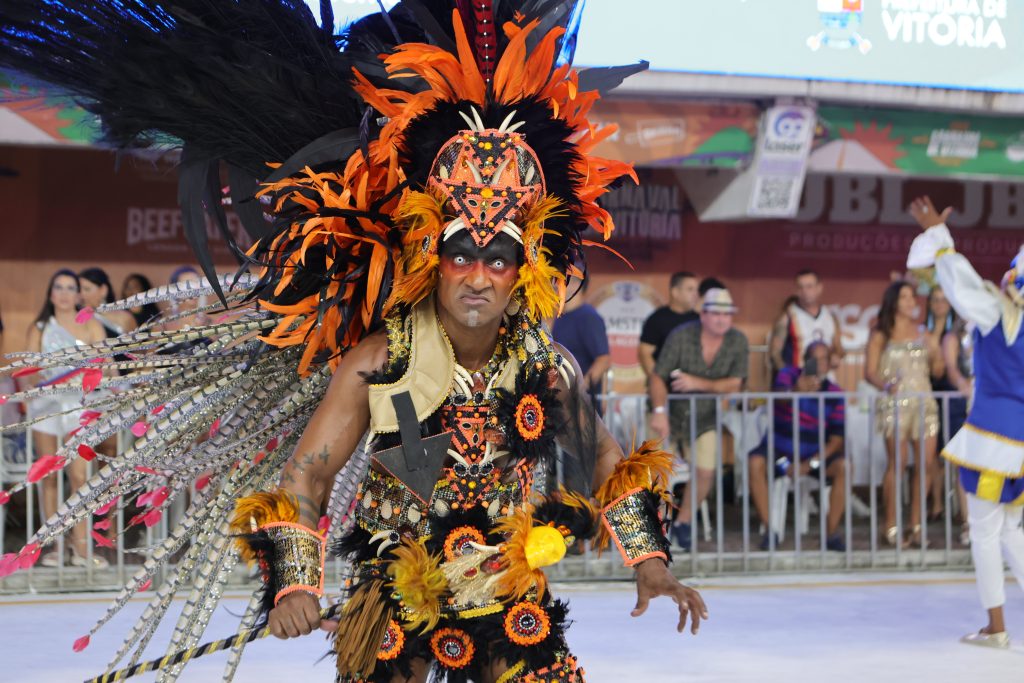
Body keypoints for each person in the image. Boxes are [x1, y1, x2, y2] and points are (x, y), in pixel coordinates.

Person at [0, 5, 706, 681]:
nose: (479, 277)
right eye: (463, 252)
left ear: (525, 269)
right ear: (432, 252)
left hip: (509, 591)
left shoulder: (543, 366)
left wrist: (650, 563)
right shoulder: (378, 360)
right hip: (393, 593)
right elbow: (307, 475)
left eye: (499, 258)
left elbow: (607, 461)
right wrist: (294, 584)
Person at [907, 195, 1024, 649]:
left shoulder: (999, 314)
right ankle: (994, 626)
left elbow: (959, 281)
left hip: (994, 434)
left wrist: (937, 234)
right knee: (1012, 529)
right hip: (1018, 436)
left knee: (986, 532)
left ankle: (996, 627)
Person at [649, 287, 749, 549]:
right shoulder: (681, 336)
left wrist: (697, 382)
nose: (721, 319)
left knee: (706, 470)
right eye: (715, 313)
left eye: (726, 314)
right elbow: (658, 375)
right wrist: (659, 412)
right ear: (703, 314)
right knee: (653, 472)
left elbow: (735, 384)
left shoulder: (738, 341)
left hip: (706, 417)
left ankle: (683, 522)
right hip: (671, 412)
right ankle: (653, 527)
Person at [21, 269, 107, 568]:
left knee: (80, 477)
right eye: (59, 287)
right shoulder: (40, 327)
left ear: (78, 294)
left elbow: (103, 366)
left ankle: (81, 546)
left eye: (71, 287)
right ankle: (55, 546)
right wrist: (31, 387)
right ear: (50, 293)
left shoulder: (92, 326)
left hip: (80, 406)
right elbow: (28, 370)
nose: (65, 292)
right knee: (50, 476)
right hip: (46, 407)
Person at [864, 280, 943, 547]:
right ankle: (891, 525)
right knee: (897, 464)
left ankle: (917, 526)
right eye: (906, 297)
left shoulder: (925, 334)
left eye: (913, 297)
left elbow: (939, 371)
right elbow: (870, 372)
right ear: (894, 302)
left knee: (925, 465)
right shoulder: (880, 334)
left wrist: (936, 353)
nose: (912, 302)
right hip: (895, 406)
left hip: (925, 404)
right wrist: (886, 385)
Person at [748, 341, 847, 551]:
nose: (819, 364)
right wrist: (795, 390)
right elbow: (778, 397)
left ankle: (831, 534)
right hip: (780, 455)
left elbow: (837, 440)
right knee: (755, 461)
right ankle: (770, 531)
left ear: (830, 364)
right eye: (814, 359)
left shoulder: (835, 393)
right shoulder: (788, 375)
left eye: (824, 359)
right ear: (805, 360)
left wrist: (810, 464)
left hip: (813, 458)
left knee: (844, 467)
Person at [769, 269, 845, 375]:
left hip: (825, 382)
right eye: (800, 287)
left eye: (809, 286)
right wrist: (789, 377)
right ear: (796, 290)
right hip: (798, 384)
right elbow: (774, 353)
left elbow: (839, 349)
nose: (805, 291)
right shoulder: (787, 317)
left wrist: (835, 357)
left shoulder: (831, 317)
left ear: (819, 288)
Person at [552, 277, 610, 396]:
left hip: (581, 403)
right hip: (563, 399)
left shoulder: (588, 317)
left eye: (561, 281)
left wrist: (581, 389)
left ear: (575, 284)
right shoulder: (560, 317)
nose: (556, 285)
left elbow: (603, 359)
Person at [637, 272, 699, 380]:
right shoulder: (657, 319)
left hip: (695, 387)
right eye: (690, 289)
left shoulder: (700, 320)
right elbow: (644, 353)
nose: (695, 294)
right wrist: (658, 381)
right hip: (665, 388)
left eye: (696, 290)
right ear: (675, 292)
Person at [79, 267, 137, 336]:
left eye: (87, 289)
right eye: (79, 290)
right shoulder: (78, 317)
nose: (81, 294)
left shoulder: (124, 318)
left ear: (103, 290)